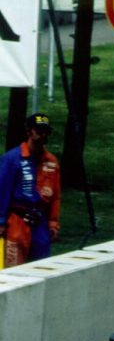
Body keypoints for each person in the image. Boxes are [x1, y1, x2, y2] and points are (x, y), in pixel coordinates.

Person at [0, 112, 62, 267]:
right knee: (12, 269)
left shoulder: (52, 161)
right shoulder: (12, 158)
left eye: (46, 131)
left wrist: (53, 222)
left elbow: (55, 196)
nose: (43, 135)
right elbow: (2, 190)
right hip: (17, 221)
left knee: (42, 268)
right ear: (29, 132)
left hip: (40, 222)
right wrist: (1, 221)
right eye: (39, 131)